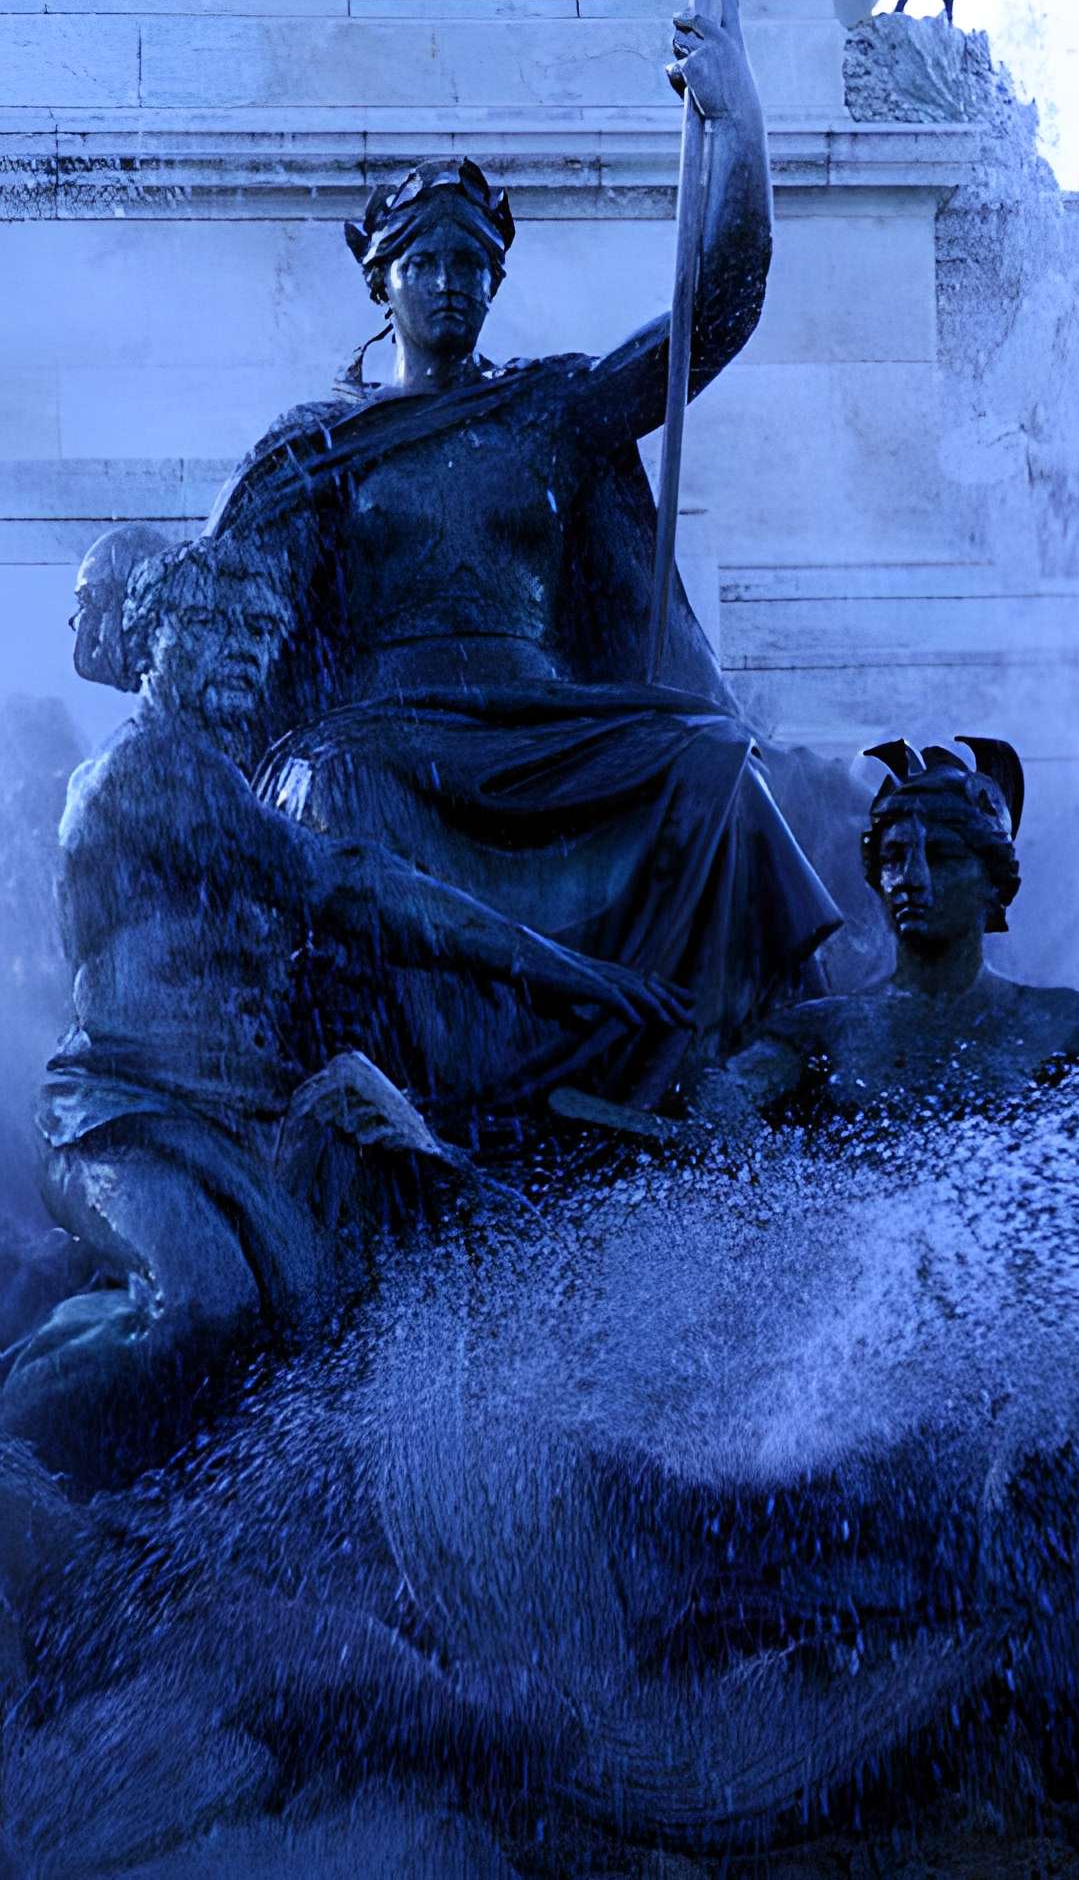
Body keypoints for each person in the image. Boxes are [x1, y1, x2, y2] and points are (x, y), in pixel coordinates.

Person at [206, 0, 837, 1097]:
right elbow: (226, 615)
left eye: (473, 262)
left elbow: (717, 310)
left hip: (544, 725)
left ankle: (749, 1062)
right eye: (427, 260)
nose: (451, 281)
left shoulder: (550, 408)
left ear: (497, 282)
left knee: (714, 768)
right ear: (382, 281)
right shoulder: (320, 446)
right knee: (326, 787)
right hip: (393, 731)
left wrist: (738, 120)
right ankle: (400, 1079)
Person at [4, 537, 689, 1476]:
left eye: (257, 629)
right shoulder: (144, 770)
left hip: (247, 1122)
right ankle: (16, 1468)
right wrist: (568, 973)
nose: (241, 649)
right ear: (150, 639)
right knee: (204, 1306)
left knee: (295, 1324)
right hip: (125, 1119)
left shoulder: (227, 779)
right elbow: (343, 883)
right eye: (208, 624)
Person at [685, 737, 1079, 1133]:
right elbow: (718, 1116)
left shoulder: (1067, 1022)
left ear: (996, 885)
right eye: (894, 858)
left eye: (942, 857)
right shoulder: (822, 1030)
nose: (911, 877)